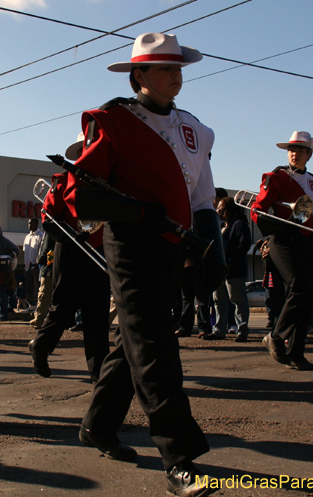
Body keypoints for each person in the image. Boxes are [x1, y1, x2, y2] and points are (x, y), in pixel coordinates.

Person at [64, 32, 225, 497]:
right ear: (139, 76)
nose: (176, 76)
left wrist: (207, 243)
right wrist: (137, 210)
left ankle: (97, 424)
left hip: (173, 244)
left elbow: (201, 194)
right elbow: (83, 192)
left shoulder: (196, 128)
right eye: (165, 69)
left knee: (134, 340)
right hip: (130, 244)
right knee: (155, 344)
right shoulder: (113, 121)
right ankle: (179, 457)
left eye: (179, 68)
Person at [252, 131, 313, 371]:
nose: (294, 153)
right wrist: (273, 224)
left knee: (307, 297)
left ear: (309, 154)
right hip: (283, 240)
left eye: (300, 150)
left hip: (305, 241)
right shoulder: (277, 177)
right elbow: (257, 208)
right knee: (299, 285)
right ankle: (275, 337)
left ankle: (296, 353)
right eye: (291, 149)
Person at [28, 168, 110, 382]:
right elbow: (49, 217)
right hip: (71, 247)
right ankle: (41, 346)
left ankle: (99, 373)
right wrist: (71, 234)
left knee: (97, 316)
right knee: (63, 307)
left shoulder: (110, 181)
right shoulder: (64, 180)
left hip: (101, 248)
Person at [207, 197, 251, 342]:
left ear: (226, 211)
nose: (217, 211)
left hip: (234, 270)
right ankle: (219, 330)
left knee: (237, 300)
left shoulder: (239, 225)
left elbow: (244, 245)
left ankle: (242, 330)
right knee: (218, 300)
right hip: (220, 271)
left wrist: (231, 261)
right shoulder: (221, 227)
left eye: (219, 208)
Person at [23, 217, 44, 312]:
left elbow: (41, 250)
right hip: (27, 265)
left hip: (36, 265)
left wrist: (38, 263)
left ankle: (37, 305)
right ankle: (31, 305)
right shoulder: (27, 237)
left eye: (31, 223)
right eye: (28, 224)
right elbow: (25, 250)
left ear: (36, 224)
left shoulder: (40, 235)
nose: (29, 225)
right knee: (29, 286)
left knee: (36, 285)